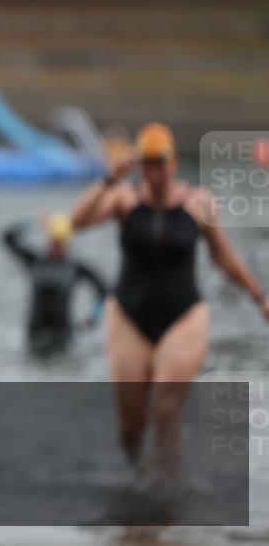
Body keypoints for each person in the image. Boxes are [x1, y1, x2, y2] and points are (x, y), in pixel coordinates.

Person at [71, 122, 269, 479]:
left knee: (165, 405)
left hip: (185, 315)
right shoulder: (123, 198)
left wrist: (259, 296)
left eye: (160, 163)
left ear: (173, 162)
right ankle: (138, 478)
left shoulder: (199, 202)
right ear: (139, 166)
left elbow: (222, 256)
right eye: (147, 163)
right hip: (129, 314)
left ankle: (169, 494)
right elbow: (75, 222)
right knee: (131, 423)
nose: (154, 172)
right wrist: (108, 179)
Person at [1, 213, 107, 356]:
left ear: (66, 242)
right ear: (49, 239)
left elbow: (103, 291)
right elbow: (7, 238)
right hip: (35, 334)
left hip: (62, 335)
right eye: (54, 240)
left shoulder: (74, 268)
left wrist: (93, 317)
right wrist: (35, 223)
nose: (56, 244)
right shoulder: (35, 262)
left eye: (60, 241)